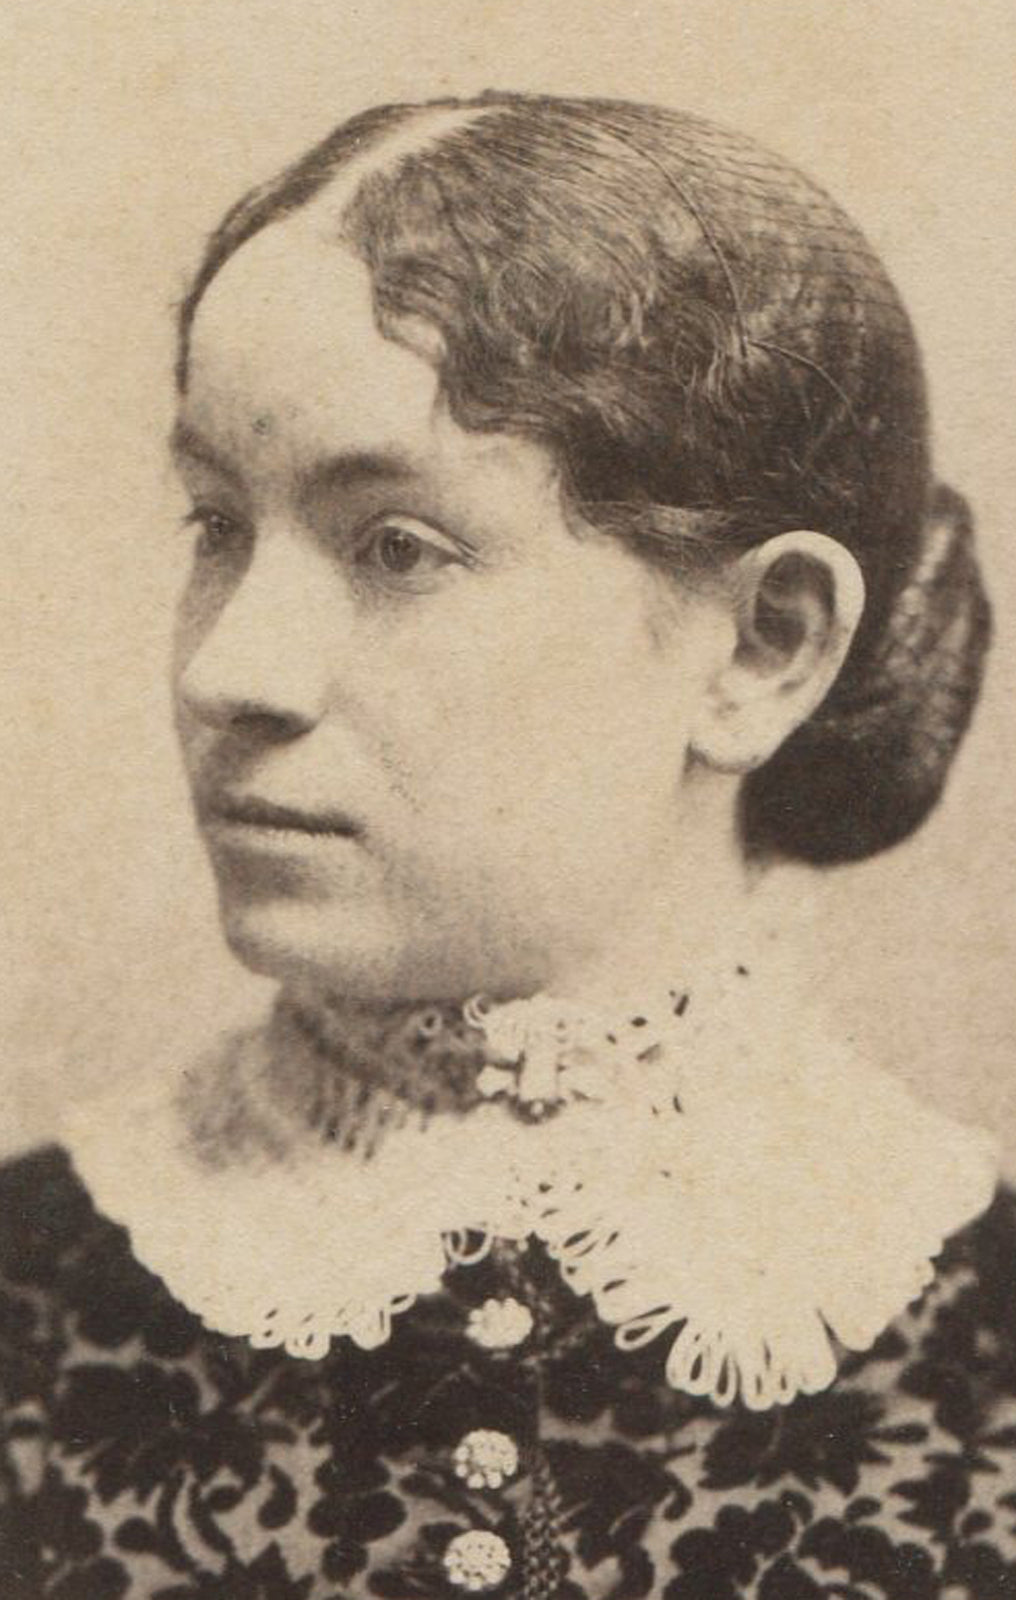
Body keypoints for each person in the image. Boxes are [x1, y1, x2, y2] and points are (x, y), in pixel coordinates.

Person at [1, 91, 1012, 1600]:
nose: (230, 672)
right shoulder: (35, 1300)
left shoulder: (976, 1338)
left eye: (396, 548)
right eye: (216, 523)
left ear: (763, 646)